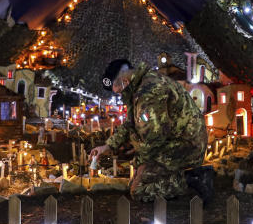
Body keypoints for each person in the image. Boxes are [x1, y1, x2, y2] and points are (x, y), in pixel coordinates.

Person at [89, 59, 208, 201]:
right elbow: (131, 123)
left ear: (125, 82)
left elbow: (154, 138)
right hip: (173, 142)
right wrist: (108, 146)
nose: (120, 96)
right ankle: (178, 176)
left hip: (186, 146)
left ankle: (193, 179)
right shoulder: (141, 86)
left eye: (120, 92)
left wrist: (139, 163)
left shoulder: (148, 93)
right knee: (138, 179)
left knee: (138, 190)